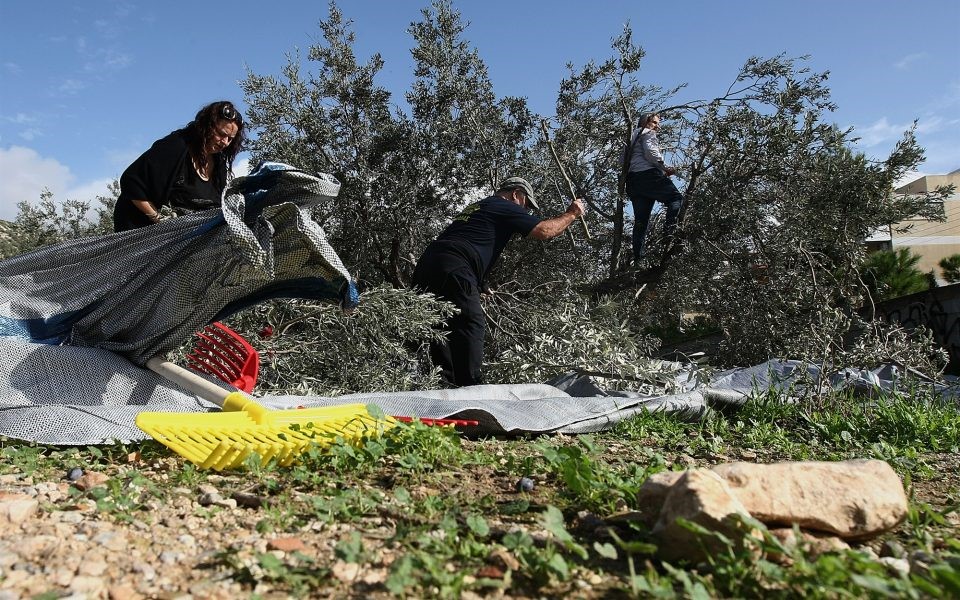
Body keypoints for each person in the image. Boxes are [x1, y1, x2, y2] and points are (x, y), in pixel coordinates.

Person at [412, 177, 586, 387]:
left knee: (440, 331)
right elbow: (545, 231)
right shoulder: (503, 205)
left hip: (427, 267)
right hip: (454, 265)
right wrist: (572, 213)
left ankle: (442, 390)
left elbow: (472, 238)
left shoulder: (480, 207)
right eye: (526, 204)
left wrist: (480, 283)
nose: (526, 211)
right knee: (470, 325)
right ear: (516, 194)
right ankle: (471, 390)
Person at [113, 100, 246, 232]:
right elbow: (131, 182)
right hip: (142, 235)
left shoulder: (219, 165)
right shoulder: (175, 147)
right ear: (207, 126)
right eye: (222, 134)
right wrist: (161, 220)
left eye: (230, 138)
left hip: (186, 239)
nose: (225, 142)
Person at [621, 112, 683, 263]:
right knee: (676, 198)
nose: (657, 126)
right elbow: (650, 153)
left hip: (633, 182)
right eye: (654, 122)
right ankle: (670, 232)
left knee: (641, 221)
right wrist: (665, 168)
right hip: (648, 175)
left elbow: (622, 160)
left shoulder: (630, 137)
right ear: (645, 122)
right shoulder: (647, 132)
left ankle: (639, 259)